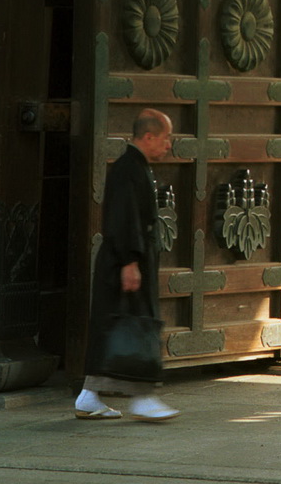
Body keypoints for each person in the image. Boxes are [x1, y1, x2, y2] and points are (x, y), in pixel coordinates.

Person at [74, 109, 179, 422]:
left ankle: (89, 396)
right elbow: (123, 218)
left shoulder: (134, 166)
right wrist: (130, 261)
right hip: (126, 261)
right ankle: (143, 398)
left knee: (117, 324)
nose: (169, 145)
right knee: (134, 324)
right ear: (148, 137)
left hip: (128, 260)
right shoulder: (127, 168)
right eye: (165, 138)